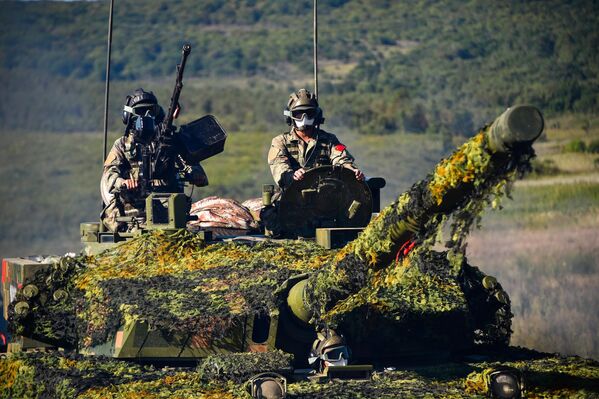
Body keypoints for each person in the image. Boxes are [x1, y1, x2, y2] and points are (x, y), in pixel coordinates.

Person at [101, 88, 208, 232]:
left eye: (150, 112)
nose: (146, 116)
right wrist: (123, 182)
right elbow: (109, 176)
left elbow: (196, 171)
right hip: (133, 217)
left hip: (170, 214)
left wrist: (192, 174)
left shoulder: (168, 143)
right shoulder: (122, 145)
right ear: (129, 116)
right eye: (140, 112)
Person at [268, 88, 364, 190]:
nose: (304, 118)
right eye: (299, 114)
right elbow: (279, 167)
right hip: (291, 196)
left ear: (317, 115)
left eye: (309, 113)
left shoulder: (329, 140)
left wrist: (351, 170)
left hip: (325, 195)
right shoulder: (280, 141)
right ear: (290, 117)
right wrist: (292, 175)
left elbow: (341, 158)